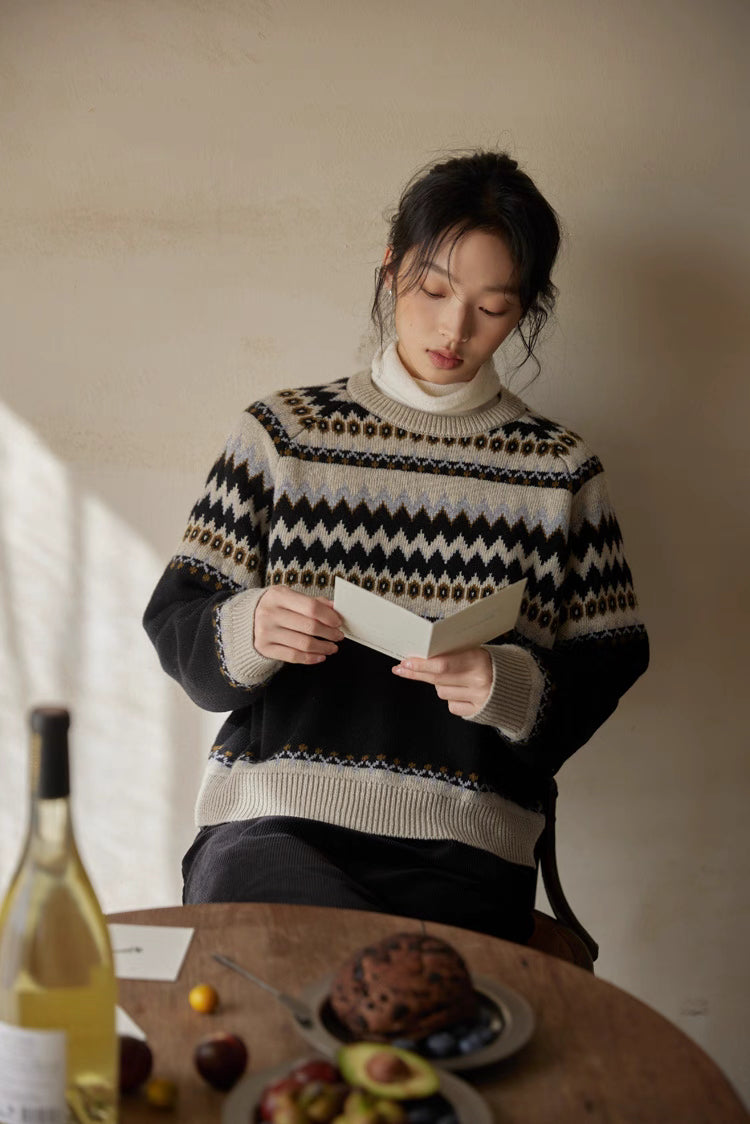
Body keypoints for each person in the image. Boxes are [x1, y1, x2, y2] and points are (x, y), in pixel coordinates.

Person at [143, 151, 649, 943]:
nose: (454, 329)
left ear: (527, 311)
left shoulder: (559, 471)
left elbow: (610, 657)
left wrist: (508, 686)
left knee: (396, 994)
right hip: (274, 826)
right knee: (313, 957)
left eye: (493, 307)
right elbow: (175, 622)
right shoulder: (283, 434)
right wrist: (247, 627)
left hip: (465, 843)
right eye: (435, 289)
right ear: (390, 269)